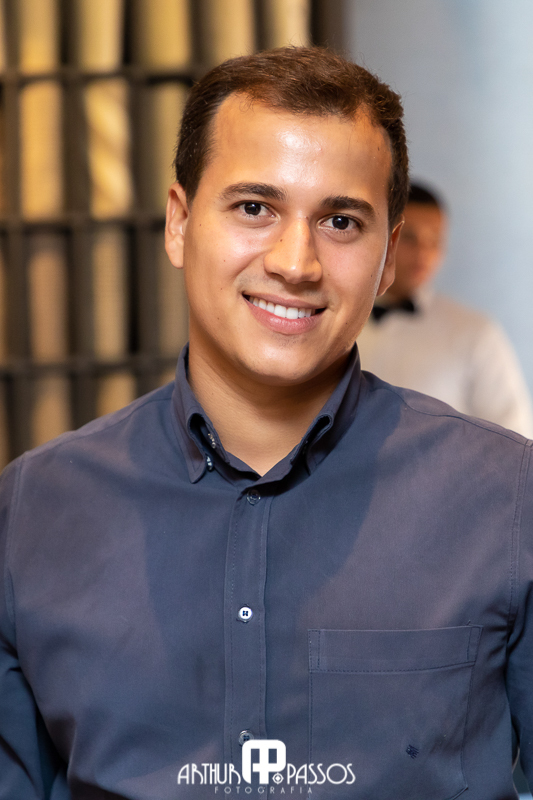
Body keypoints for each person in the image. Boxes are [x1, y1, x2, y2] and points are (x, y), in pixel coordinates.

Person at [1, 46, 533, 800]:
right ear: (179, 223)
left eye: (341, 221)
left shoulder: (507, 500)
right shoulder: (32, 511)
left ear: (387, 257)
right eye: (255, 208)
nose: (295, 262)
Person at [357, 183, 533, 436]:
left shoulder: (476, 332)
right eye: (410, 237)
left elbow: (514, 435)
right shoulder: (337, 322)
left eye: (435, 240)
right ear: (385, 235)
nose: (423, 253)